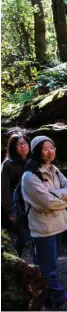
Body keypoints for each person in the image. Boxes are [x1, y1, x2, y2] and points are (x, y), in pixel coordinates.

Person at [21, 135, 67, 310]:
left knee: (52, 263)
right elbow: (46, 203)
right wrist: (63, 197)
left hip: (60, 224)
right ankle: (58, 298)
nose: (50, 152)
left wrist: (56, 194)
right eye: (45, 148)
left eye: (52, 147)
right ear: (37, 151)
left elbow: (54, 197)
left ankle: (47, 296)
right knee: (49, 267)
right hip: (44, 227)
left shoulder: (53, 169)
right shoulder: (29, 176)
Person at [1, 133, 30, 254]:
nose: (23, 146)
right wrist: (9, 211)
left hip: (30, 205)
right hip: (15, 206)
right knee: (22, 238)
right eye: (19, 144)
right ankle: (16, 262)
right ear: (13, 147)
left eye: (25, 143)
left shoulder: (31, 162)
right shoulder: (8, 164)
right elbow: (3, 189)